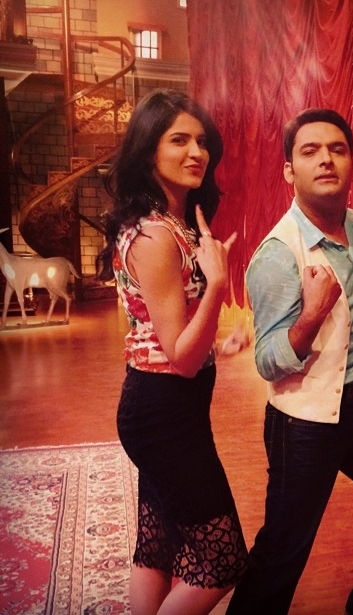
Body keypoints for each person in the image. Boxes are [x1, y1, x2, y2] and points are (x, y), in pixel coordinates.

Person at [226, 108, 353, 615]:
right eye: (310, 152)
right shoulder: (276, 254)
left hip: (352, 408)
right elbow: (268, 362)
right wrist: (311, 316)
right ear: (290, 171)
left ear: (352, 162)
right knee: (284, 550)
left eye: (337, 149)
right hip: (302, 422)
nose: (326, 160)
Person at [96, 89, 248, 615]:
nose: (196, 152)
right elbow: (180, 357)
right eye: (179, 140)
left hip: (164, 407)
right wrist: (218, 284)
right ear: (147, 152)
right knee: (223, 561)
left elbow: (165, 334)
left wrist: (218, 346)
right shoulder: (158, 236)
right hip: (164, 415)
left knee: (158, 546)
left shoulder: (167, 224)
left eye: (201, 141)